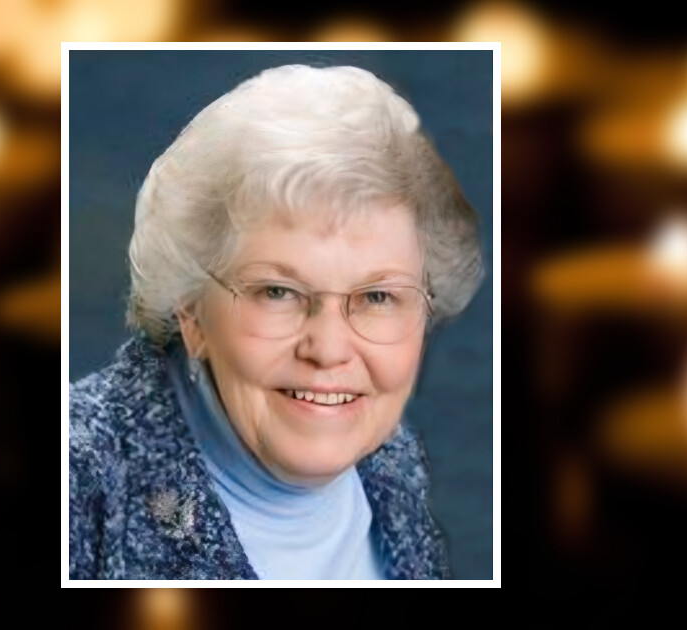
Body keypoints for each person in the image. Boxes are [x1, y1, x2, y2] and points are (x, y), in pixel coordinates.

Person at [69, 64, 483, 579]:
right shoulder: (80, 485)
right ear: (190, 309)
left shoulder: (394, 464)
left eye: (377, 296)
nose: (329, 350)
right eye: (278, 292)